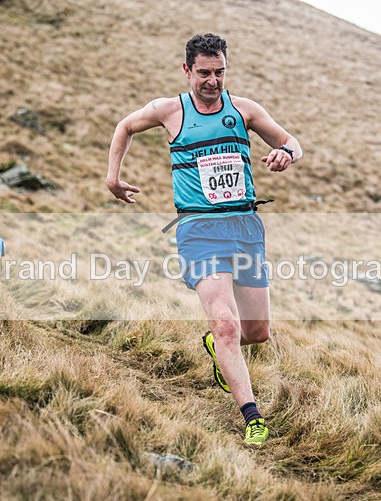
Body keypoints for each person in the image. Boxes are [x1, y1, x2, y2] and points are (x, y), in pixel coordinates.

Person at [106, 34, 302, 445]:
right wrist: (113, 177)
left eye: (220, 72)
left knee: (256, 333)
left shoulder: (244, 110)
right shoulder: (169, 110)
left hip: (245, 228)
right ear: (187, 71)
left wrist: (286, 153)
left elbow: (291, 141)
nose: (213, 81)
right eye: (204, 73)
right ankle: (253, 417)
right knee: (227, 324)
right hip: (198, 230)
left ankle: (216, 346)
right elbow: (125, 126)